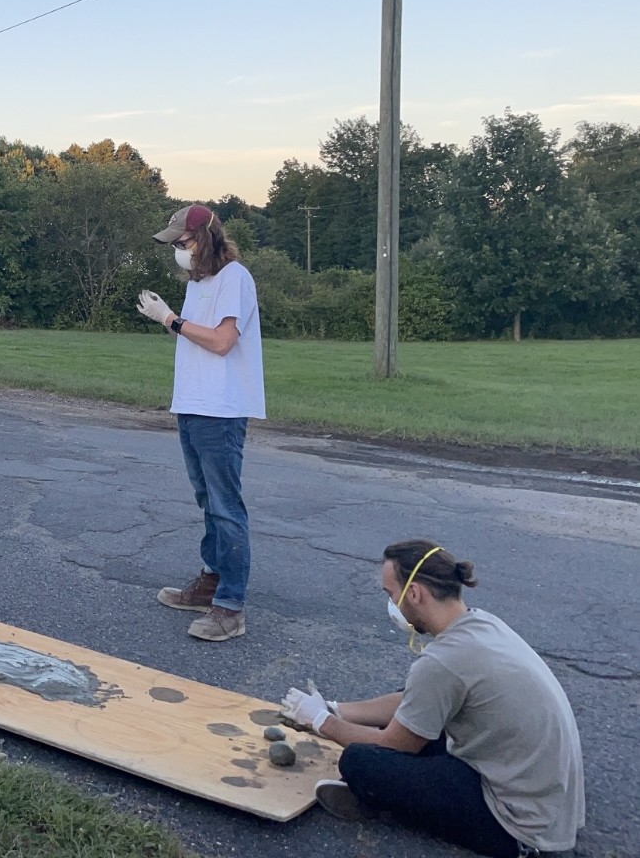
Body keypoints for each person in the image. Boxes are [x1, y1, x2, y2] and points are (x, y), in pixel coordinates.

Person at [280, 541, 584, 857]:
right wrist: (338, 709)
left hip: (517, 823)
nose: (391, 604)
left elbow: (392, 744)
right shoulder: (480, 623)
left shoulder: (443, 662)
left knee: (360, 762)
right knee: (422, 706)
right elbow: (415, 701)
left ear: (415, 594)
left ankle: (382, 798)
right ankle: (385, 793)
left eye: (390, 594)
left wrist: (321, 722)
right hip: (548, 800)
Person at [138, 205, 265, 642]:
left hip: (222, 408)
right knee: (206, 499)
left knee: (226, 506)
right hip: (192, 404)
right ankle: (210, 581)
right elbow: (196, 335)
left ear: (207, 237)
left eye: (184, 242)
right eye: (175, 244)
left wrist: (170, 320)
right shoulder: (201, 282)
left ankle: (230, 607)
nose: (178, 250)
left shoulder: (235, 278)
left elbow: (223, 342)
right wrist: (173, 318)